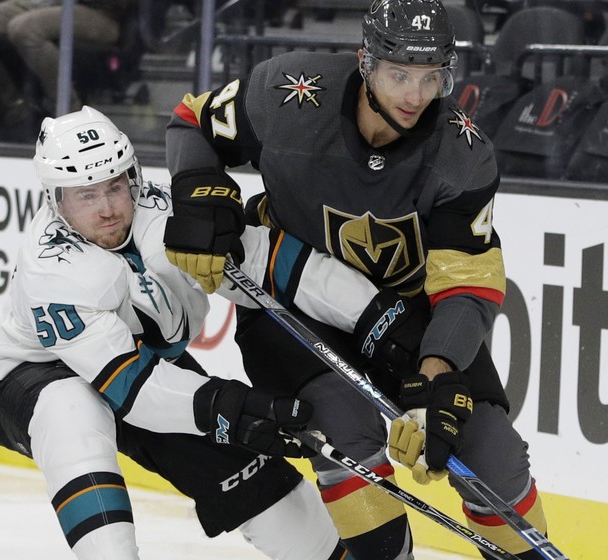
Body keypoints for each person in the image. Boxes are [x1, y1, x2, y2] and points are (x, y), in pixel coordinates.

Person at [163, 0, 549, 558]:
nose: (416, 96)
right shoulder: (289, 93)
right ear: (365, 62)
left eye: (431, 77)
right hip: (293, 302)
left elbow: (467, 284)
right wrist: (200, 188)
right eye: (399, 75)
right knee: (344, 431)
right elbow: (192, 120)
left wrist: (433, 376)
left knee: (492, 453)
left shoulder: (462, 154)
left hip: (404, 317)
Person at [0, 105, 404, 559]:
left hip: (145, 366)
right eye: (86, 195)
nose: (107, 210)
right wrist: (228, 406)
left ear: (133, 177)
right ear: (55, 200)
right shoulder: (53, 271)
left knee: (262, 488)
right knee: (71, 412)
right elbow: (132, 389)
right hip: (33, 374)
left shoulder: (168, 214)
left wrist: (376, 313)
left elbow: (269, 263)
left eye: (115, 187)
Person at [0, 0, 131, 116]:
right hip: (41, 4)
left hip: (100, 12)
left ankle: (69, 110)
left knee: (24, 28)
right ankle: (11, 105)